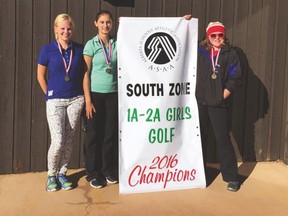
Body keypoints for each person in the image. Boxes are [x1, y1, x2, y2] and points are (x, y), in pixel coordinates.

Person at [185, 16, 242, 192]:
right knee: (199, 138)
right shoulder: (200, 51)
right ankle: (198, 173)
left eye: (220, 35)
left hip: (219, 104)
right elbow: (182, 44)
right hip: (201, 102)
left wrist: (222, 95)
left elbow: (236, 77)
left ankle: (232, 177)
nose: (217, 38)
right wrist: (184, 23)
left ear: (224, 36)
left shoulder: (230, 53)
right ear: (207, 37)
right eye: (213, 35)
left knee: (223, 140)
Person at [37, 14, 85, 192]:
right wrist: (49, 94)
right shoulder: (47, 49)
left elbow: (85, 73)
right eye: (62, 28)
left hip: (75, 99)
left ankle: (63, 173)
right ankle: (51, 175)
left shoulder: (79, 49)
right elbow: (40, 76)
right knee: (57, 141)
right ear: (56, 29)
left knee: (69, 140)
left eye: (69, 28)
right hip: (55, 101)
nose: (66, 31)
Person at [83, 10, 118, 189]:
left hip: (113, 95)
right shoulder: (91, 45)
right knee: (94, 135)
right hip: (95, 96)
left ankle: (107, 170)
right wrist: (88, 101)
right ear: (95, 23)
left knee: (109, 134)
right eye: (102, 22)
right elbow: (85, 74)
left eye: (108, 22)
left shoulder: (116, 43)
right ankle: (93, 173)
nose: (105, 25)